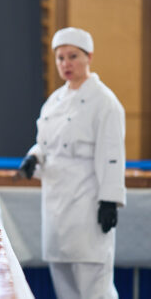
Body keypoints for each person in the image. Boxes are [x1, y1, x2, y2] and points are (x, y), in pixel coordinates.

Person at [18, 27, 125, 299]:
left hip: (88, 205)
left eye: (73, 56)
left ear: (89, 56)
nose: (66, 64)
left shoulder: (105, 102)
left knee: (95, 289)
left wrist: (110, 200)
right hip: (56, 206)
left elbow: (112, 155)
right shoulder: (54, 101)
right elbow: (46, 143)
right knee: (64, 287)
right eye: (60, 58)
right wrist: (34, 157)